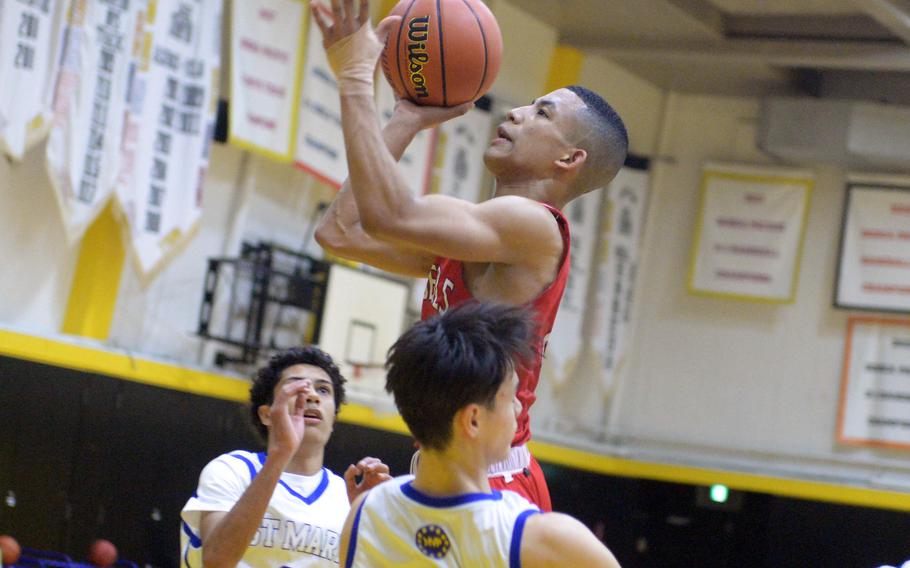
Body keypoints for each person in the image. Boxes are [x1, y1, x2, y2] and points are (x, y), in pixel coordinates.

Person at [311, 0, 629, 511]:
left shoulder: (533, 225)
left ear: (569, 159)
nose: (515, 112)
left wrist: (354, 78)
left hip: (494, 482)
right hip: (442, 467)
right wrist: (405, 118)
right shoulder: (480, 238)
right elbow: (338, 231)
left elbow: (388, 215)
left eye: (541, 113)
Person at [339, 302, 622, 567]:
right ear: (473, 419)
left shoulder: (365, 513)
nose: (518, 405)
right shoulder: (540, 538)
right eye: (510, 396)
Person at [180, 347, 391, 567]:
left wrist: (368, 522)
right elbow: (216, 561)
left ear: (334, 418)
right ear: (267, 414)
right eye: (296, 387)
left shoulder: (347, 497)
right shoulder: (233, 470)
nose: (311, 396)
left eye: (323, 390)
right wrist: (280, 454)